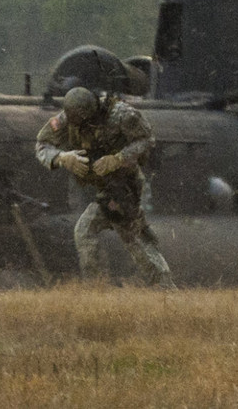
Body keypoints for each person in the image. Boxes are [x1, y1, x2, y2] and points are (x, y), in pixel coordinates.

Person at [35, 84, 175, 287]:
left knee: (126, 233)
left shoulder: (122, 115)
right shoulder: (67, 119)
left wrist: (118, 159)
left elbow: (146, 140)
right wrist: (61, 157)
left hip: (124, 185)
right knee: (97, 232)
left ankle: (163, 286)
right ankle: (97, 287)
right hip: (100, 186)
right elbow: (42, 144)